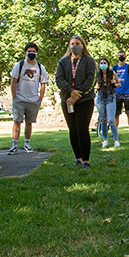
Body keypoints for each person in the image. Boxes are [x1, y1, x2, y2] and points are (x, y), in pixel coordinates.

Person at [56, 36, 96, 168]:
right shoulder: (63, 61)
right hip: (67, 100)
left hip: (85, 100)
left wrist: (77, 95)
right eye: (72, 43)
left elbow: (91, 80)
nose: (75, 45)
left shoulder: (89, 61)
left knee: (82, 129)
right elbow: (59, 79)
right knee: (72, 130)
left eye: (77, 43)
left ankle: (86, 161)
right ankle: (78, 158)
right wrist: (70, 91)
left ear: (83, 45)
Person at [9, 42, 48, 154]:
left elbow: (43, 83)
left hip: (33, 99)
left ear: (37, 53)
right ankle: (14, 145)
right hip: (20, 99)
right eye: (29, 51)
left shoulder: (40, 67)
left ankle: (27, 144)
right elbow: (13, 81)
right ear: (25, 52)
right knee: (17, 121)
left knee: (29, 122)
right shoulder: (19, 65)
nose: (31, 53)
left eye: (34, 51)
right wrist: (14, 96)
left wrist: (40, 98)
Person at [95, 55, 120, 147]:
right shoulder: (98, 75)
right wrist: (96, 86)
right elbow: (94, 85)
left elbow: (119, 84)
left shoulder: (112, 73)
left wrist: (114, 83)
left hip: (110, 97)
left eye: (104, 63)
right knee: (103, 119)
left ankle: (116, 140)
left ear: (108, 64)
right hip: (100, 97)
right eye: (101, 63)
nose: (103, 65)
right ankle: (105, 140)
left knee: (111, 119)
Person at [113, 50, 129, 138]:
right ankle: (114, 132)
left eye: (122, 56)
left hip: (127, 93)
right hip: (117, 93)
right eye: (120, 56)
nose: (121, 57)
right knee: (116, 114)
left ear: (125, 56)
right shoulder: (114, 68)